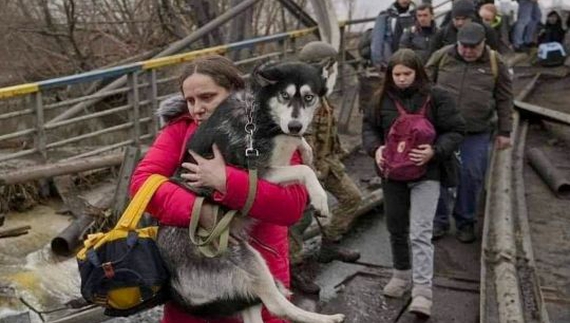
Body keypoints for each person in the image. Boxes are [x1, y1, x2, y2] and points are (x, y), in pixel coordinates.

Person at [129, 55, 309, 323]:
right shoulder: (180, 129)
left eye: (207, 97)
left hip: (255, 275)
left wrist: (227, 182)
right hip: (195, 274)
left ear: (235, 93)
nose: (197, 109)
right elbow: (141, 182)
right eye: (190, 101)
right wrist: (198, 211)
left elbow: (291, 206)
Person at [362, 48, 465, 317]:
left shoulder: (437, 97)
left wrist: (435, 151)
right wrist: (375, 149)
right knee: (396, 226)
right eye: (396, 74)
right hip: (392, 173)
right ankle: (400, 274)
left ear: (417, 72)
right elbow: (369, 128)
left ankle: (422, 291)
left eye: (407, 73)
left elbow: (455, 130)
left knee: (420, 232)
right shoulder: (380, 99)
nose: (402, 79)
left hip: (426, 173)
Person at [426, 22, 513, 243]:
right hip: (442, 130)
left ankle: (465, 221)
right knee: (437, 175)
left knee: (471, 176)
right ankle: (439, 220)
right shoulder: (442, 57)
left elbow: (504, 98)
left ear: (483, 43)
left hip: (476, 131)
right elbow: (424, 87)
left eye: (473, 47)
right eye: (464, 46)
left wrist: (505, 130)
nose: (468, 51)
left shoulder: (495, 63)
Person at [289, 41, 363, 294]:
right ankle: (292, 267)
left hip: (327, 162)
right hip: (307, 168)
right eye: (330, 64)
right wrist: (311, 176)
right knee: (299, 219)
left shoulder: (318, 89)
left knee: (352, 197)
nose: (333, 69)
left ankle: (329, 245)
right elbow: (300, 140)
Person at [430, 0, 501, 55]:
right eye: (457, 19)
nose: (460, 23)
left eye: (464, 19)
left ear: (471, 18)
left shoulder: (487, 31)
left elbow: (494, 54)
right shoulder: (442, 34)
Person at [370, 0, 417, 69]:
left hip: (410, 57)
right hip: (390, 56)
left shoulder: (417, 14)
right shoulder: (386, 15)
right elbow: (377, 39)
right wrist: (378, 61)